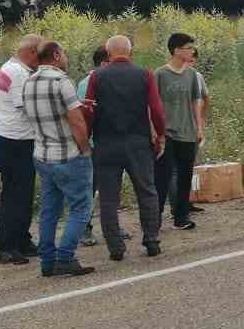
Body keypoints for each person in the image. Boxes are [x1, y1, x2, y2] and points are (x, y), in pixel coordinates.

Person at [86, 34, 166, 260]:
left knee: (109, 199)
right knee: (147, 192)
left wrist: (87, 137)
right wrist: (160, 135)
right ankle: (151, 240)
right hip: (138, 143)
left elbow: (89, 110)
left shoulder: (97, 76)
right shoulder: (144, 75)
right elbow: (157, 110)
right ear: (130, 53)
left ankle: (116, 248)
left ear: (109, 53)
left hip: (106, 144)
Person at [23, 41, 95, 277]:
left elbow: (47, 111)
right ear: (55, 55)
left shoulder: (29, 82)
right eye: (63, 53)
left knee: (49, 210)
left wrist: (76, 103)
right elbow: (76, 122)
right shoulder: (62, 81)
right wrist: (85, 149)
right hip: (67, 155)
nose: (65, 58)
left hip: (42, 154)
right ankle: (65, 256)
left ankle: (47, 260)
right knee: (80, 207)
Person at [0, 32, 44, 265]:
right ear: (31, 52)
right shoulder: (18, 73)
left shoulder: (13, 68)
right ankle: (6, 246)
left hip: (11, 139)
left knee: (23, 194)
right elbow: (29, 107)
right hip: (15, 142)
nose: (41, 61)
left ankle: (22, 239)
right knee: (15, 196)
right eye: (40, 56)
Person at [154, 34, 207, 231]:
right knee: (162, 178)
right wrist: (154, 131)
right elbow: (152, 104)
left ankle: (181, 216)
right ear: (176, 50)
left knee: (185, 177)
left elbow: (196, 101)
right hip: (166, 134)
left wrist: (199, 127)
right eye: (188, 47)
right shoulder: (159, 74)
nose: (192, 51)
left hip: (188, 132)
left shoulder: (192, 74)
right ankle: (155, 218)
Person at [76, 46, 109, 248]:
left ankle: (110, 227)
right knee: (89, 188)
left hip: (108, 143)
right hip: (94, 145)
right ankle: (84, 229)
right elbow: (83, 115)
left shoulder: (107, 79)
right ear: (104, 63)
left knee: (109, 188)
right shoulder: (86, 83)